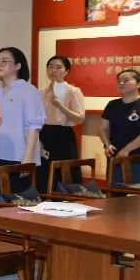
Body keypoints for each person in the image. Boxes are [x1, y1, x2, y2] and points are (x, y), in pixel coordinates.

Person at [0, 47, 45, 195]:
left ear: (18, 66)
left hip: (19, 157)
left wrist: (28, 157)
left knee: (18, 201)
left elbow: (33, 126)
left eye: (4, 61)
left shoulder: (29, 91)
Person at [37, 55, 85, 192]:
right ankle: (44, 199)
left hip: (63, 136)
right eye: (50, 67)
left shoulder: (73, 91)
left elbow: (80, 118)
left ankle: (65, 199)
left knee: (64, 172)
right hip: (44, 134)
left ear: (66, 71)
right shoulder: (41, 92)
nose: (54, 70)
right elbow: (37, 118)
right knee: (44, 172)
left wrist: (60, 106)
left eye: (58, 67)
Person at [100, 68, 140, 185]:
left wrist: (126, 150)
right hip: (115, 158)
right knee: (114, 192)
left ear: (139, 84)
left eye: (126, 80)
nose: (121, 83)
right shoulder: (112, 105)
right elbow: (103, 129)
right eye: (119, 81)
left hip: (139, 158)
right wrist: (107, 144)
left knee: (137, 193)